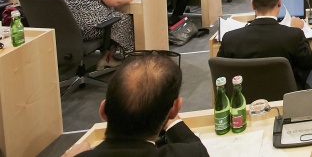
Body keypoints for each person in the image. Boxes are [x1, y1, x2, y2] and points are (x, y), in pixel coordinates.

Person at [61, 54, 210, 157]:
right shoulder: (190, 153)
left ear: (103, 110)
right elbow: (196, 147)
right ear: (174, 109)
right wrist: (172, 119)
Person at [218, 0, 312, 87]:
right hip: (285, 94)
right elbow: (310, 64)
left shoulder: (229, 39)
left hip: (244, 96)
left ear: (252, 5)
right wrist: (296, 29)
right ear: (280, 2)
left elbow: (219, 72)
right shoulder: (293, 36)